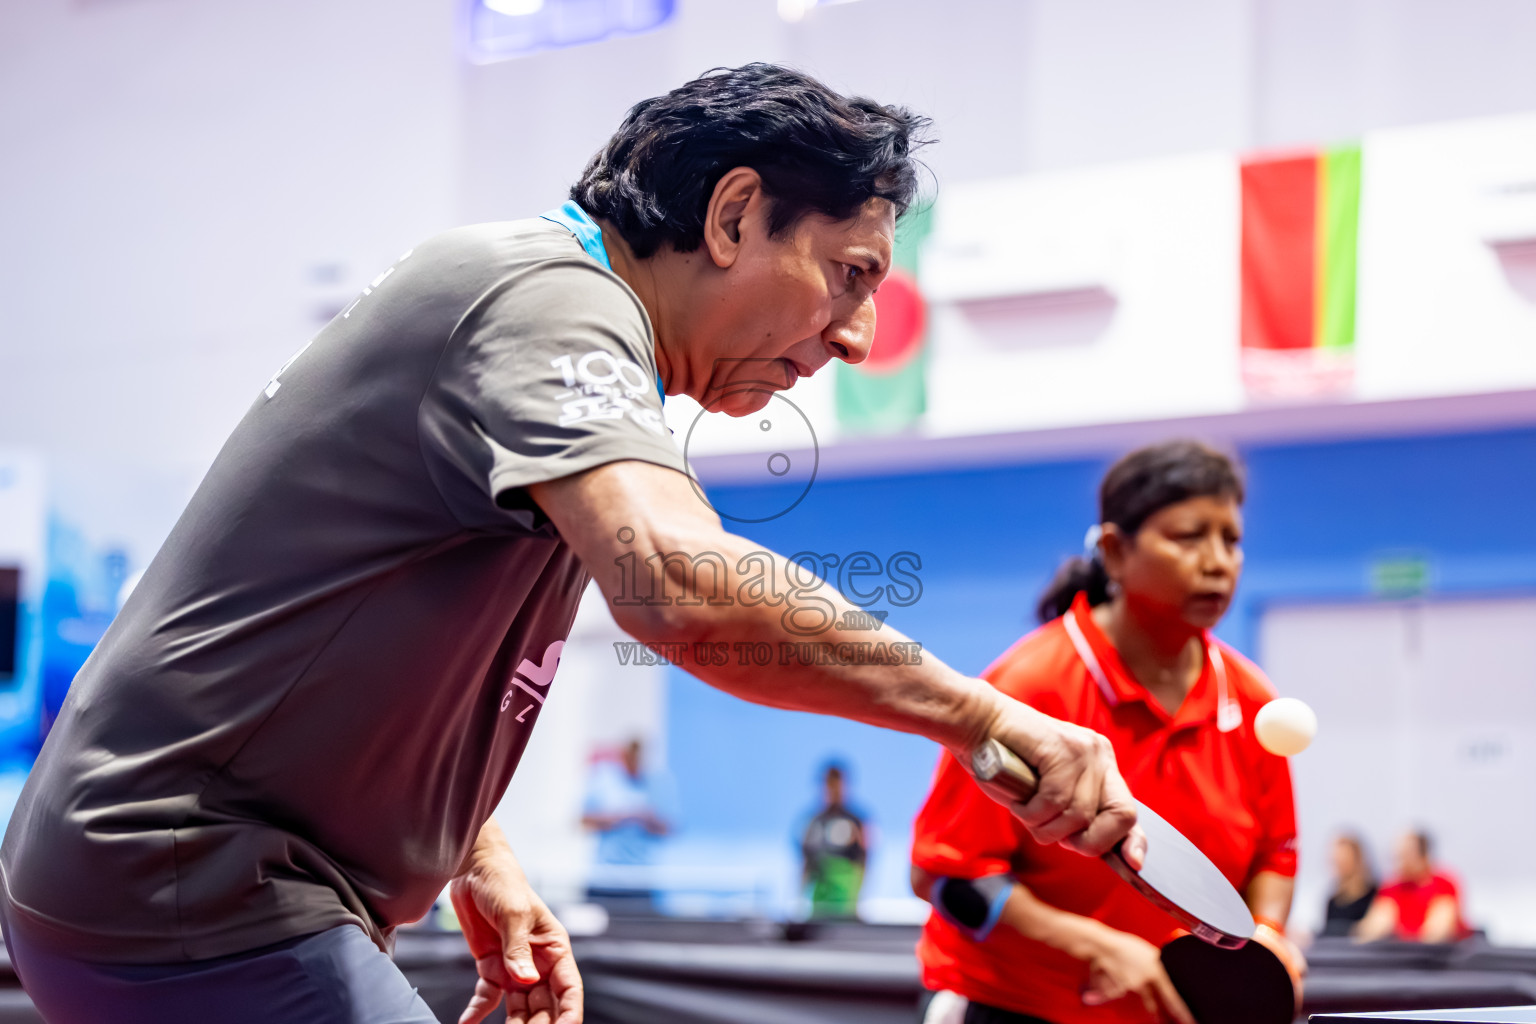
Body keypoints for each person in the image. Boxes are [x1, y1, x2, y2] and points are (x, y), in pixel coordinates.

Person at [0, 64, 1144, 1024]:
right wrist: (984, 716)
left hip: (186, 878)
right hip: (189, 880)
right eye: (850, 275)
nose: (856, 335)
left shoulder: (550, 331)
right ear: (733, 216)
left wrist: (473, 852)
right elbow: (680, 586)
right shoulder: (553, 300)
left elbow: (356, 628)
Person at [911, 441, 1303, 1024]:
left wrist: (1265, 939)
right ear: (1116, 552)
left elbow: (1276, 854)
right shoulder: (1029, 686)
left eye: (1231, 539)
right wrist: (1098, 947)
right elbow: (947, 877)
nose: (1218, 561)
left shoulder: (1249, 698)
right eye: (1189, 537)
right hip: (1015, 1009)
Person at [580, 738, 676, 915]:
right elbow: (584, 820)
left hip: (640, 878)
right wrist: (617, 817)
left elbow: (669, 829)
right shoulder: (604, 780)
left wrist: (646, 818)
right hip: (605, 877)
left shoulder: (657, 783)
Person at [1355, 831, 1470, 944]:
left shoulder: (1443, 884)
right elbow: (1374, 926)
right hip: (1405, 950)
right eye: (1396, 856)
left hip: (1440, 952)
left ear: (1423, 855)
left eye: (1405, 855)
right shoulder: (1391, 887)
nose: (1399, 862)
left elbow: (1438, 930)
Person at [800, 761, 869, 919]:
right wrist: (800, 900)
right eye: (828, 783)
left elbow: (864, 862)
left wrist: (857, 900)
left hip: (846, 906)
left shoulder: (857, 821)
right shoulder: (813, 822)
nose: (832, 789)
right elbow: (806, 863)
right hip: (818, 906)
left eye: (837, 783)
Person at [1321, 833, 1377, 938]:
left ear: (1356, 859)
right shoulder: (1333, 901)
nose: (1339, 864)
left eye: (1343, 859)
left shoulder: (1374, 895)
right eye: (1336, 861)